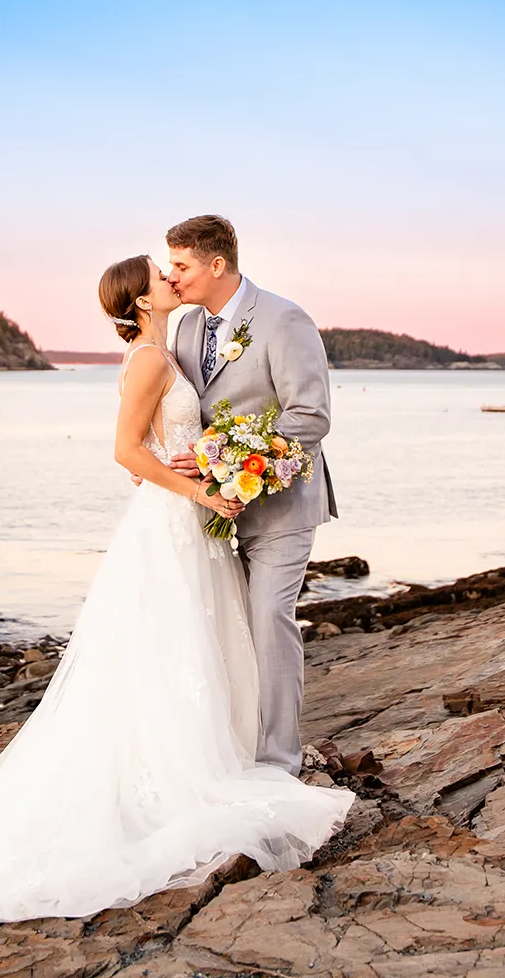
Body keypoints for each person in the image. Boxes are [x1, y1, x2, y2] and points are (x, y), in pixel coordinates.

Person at [0, 252, 351, 931]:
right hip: (176, 520)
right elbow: (125, 452)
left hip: (192, 520)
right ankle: (180, 772)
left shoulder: (171, 346)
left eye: (178, 269)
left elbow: (185, 432)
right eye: (161, 276)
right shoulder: (151, 359)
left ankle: (219, 752)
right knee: (172, 641)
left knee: (188, 643)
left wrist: (213, 464)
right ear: (139, 301)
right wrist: (200, 489)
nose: (171, 278)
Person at [165, 213, 336, 776]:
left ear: (217, 265)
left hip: (283, 503)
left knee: (267, 618)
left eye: (182, 265)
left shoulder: (285, 320)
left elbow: (310, 417)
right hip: (213, 511)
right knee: (226, 627)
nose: (173, 277)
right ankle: (235, 746)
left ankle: (280, 760)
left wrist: (229, 460)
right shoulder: (188, 327)